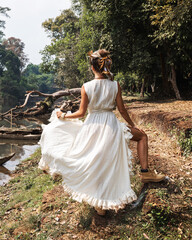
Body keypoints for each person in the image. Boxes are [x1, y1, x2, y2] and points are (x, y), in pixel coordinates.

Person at [38, 49, 165, 216]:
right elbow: (122, 110)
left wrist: (64, 115)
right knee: (142, 137)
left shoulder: (86, 87)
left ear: (92, 67)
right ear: (107, 66)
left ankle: (99, 206)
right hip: (111, 126)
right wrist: (133, 125)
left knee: (94, 161)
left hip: (91, 127)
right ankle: (145, 173)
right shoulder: (115, 85)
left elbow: (81, 113)